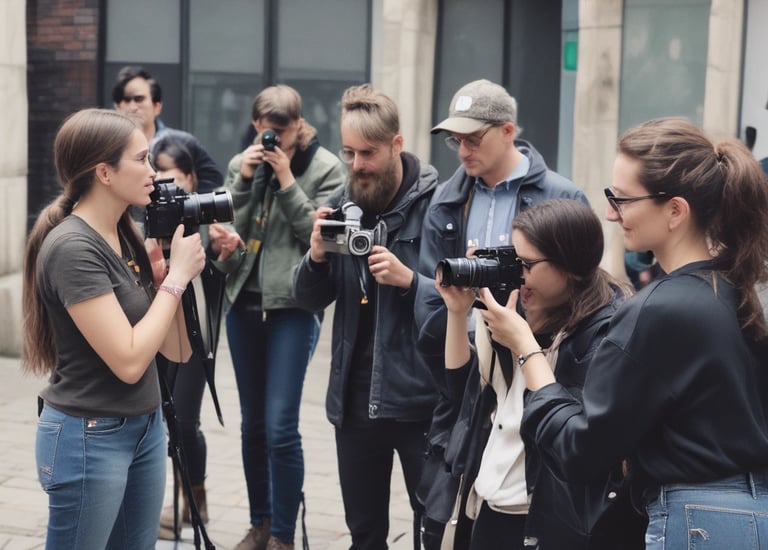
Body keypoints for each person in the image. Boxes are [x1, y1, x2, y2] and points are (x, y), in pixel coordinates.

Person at [482, 117, 768, 548]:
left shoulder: (658, 309)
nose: (611, 213)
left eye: (623, 199)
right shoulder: (738, 288)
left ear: (675, 210)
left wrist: (525, 348)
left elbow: (580, 450)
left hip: (696, 522)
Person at [414, 78, 588, 547]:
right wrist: (457, 323)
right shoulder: (448, 197)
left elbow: (578, 297)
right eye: (455, 139)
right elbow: (432, 294)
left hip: (533, 366)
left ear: (507, 130)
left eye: (474, 138)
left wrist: (518, 335)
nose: (462, 150)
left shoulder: (562, 197)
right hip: (467, 370)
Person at [22, 108, 206, 549]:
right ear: (104, 172)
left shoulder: (125, 235)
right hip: (89, 437)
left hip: (144, 429)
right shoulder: (72, 248)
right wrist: (177, 280)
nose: (154, 172)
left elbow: (177, 351)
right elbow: (127, 361)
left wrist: (166, 282)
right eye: (142, 159)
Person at [436, 199, 644, 549]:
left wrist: (523, 343)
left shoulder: (604, 333)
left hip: (544, 517)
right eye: (512, 260)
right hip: (489, 501)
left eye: (527, 264)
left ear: (572, 265)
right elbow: (460, 390)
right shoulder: (512, 310)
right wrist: (458, 314)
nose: (517, 274)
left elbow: (575, 436)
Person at [293, 83, 440, 550]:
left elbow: (462, 305)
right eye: (348, 152)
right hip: (354, 405)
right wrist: (316, 256)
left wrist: (410, 280)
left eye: (368, 153)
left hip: (422, 402)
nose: (357, 165)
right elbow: (309, 300)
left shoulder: (439, 208)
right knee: (364, 534)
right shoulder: (341, 205)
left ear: (397, 144)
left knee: (432, 529)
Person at [207, 84, 345, 550]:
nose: (272, 143)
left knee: (281, 425)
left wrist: (286, 180)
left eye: (280, 135)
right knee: (252, 426)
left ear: (297, 126)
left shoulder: (325, 168)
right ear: (255, 125)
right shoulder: (240, 165)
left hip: (293, 307)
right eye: (264, 133)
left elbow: (317, 235)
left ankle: (284, 535)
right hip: (243, 304)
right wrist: (244, 183)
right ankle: (260, 522)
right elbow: (229, 239)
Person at [151, 134, 228, 540]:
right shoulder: (142, 219)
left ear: (192, 179)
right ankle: (180, 500)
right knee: (164, 416)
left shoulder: (204, 221)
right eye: (158, 177)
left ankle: (194, 500)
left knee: (183, 419)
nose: (166, 188)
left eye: (174, 179)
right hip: (155, 328)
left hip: (196, 333)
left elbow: (221, 264)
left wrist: (225, 250)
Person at [112, 65, 223, 193]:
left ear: (157, 106)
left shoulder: (183, 142)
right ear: (117, 107)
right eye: (126, 100)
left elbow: (214, 180)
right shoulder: (110, 147)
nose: (132, 107)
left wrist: (186, 201)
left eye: (139, 99)